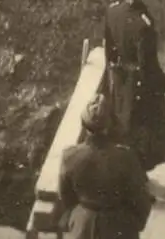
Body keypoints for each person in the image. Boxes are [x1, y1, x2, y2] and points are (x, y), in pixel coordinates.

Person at [102, 0, 165, 172]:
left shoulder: (112, 12)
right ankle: (137, 181)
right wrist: (162, 83)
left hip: (119, 81)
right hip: (138, 85)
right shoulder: (145, 24)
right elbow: (148, 65)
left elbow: (109, 49)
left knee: (122, 129)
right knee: (142, 135)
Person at [57, 95, 154, 239]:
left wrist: (77, 217)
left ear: (83, 125)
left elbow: (66, 196)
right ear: (110, 126)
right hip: (119, 226)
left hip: (82, 226)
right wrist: (134, 225)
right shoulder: (126, 157)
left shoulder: (70, 156)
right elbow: (140, 199)